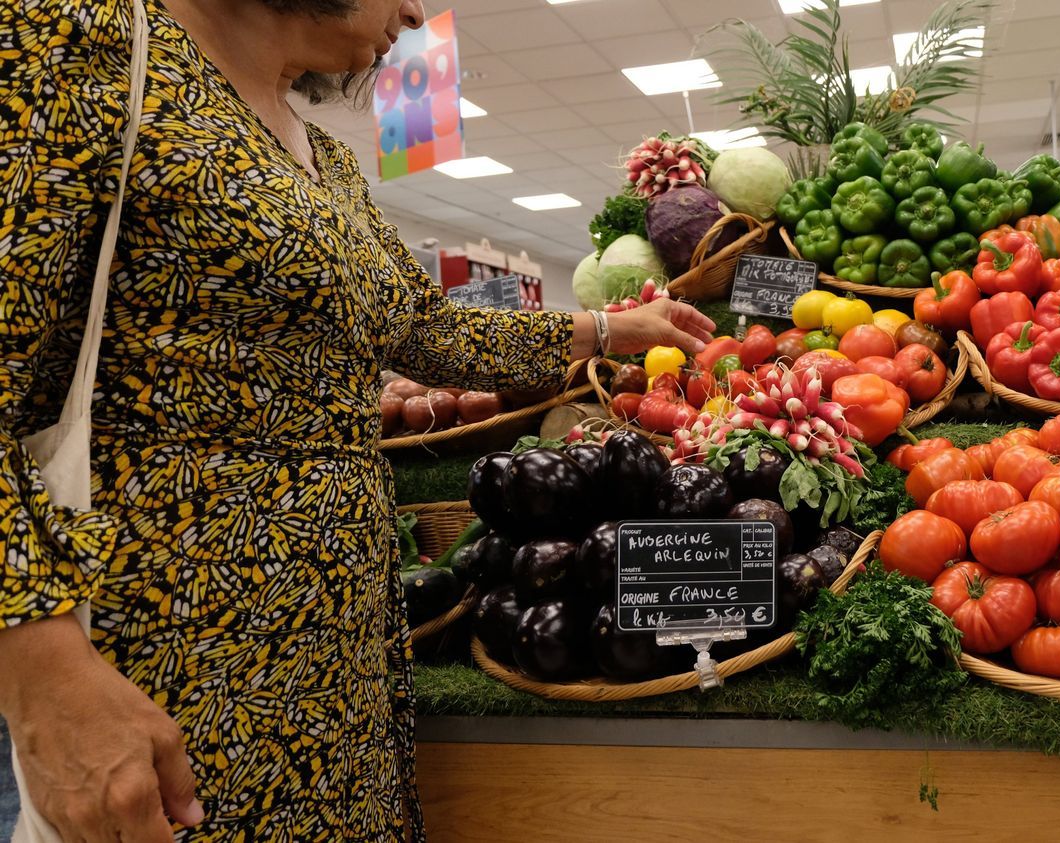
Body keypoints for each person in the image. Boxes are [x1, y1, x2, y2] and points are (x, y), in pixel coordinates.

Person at [0, 0, 715, 839]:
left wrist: (609, 329)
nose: (415, 12)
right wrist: (44, 674)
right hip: (177, 641)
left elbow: (425, 330)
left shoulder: (326, 160)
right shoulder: (82, 41)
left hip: (337, 646)